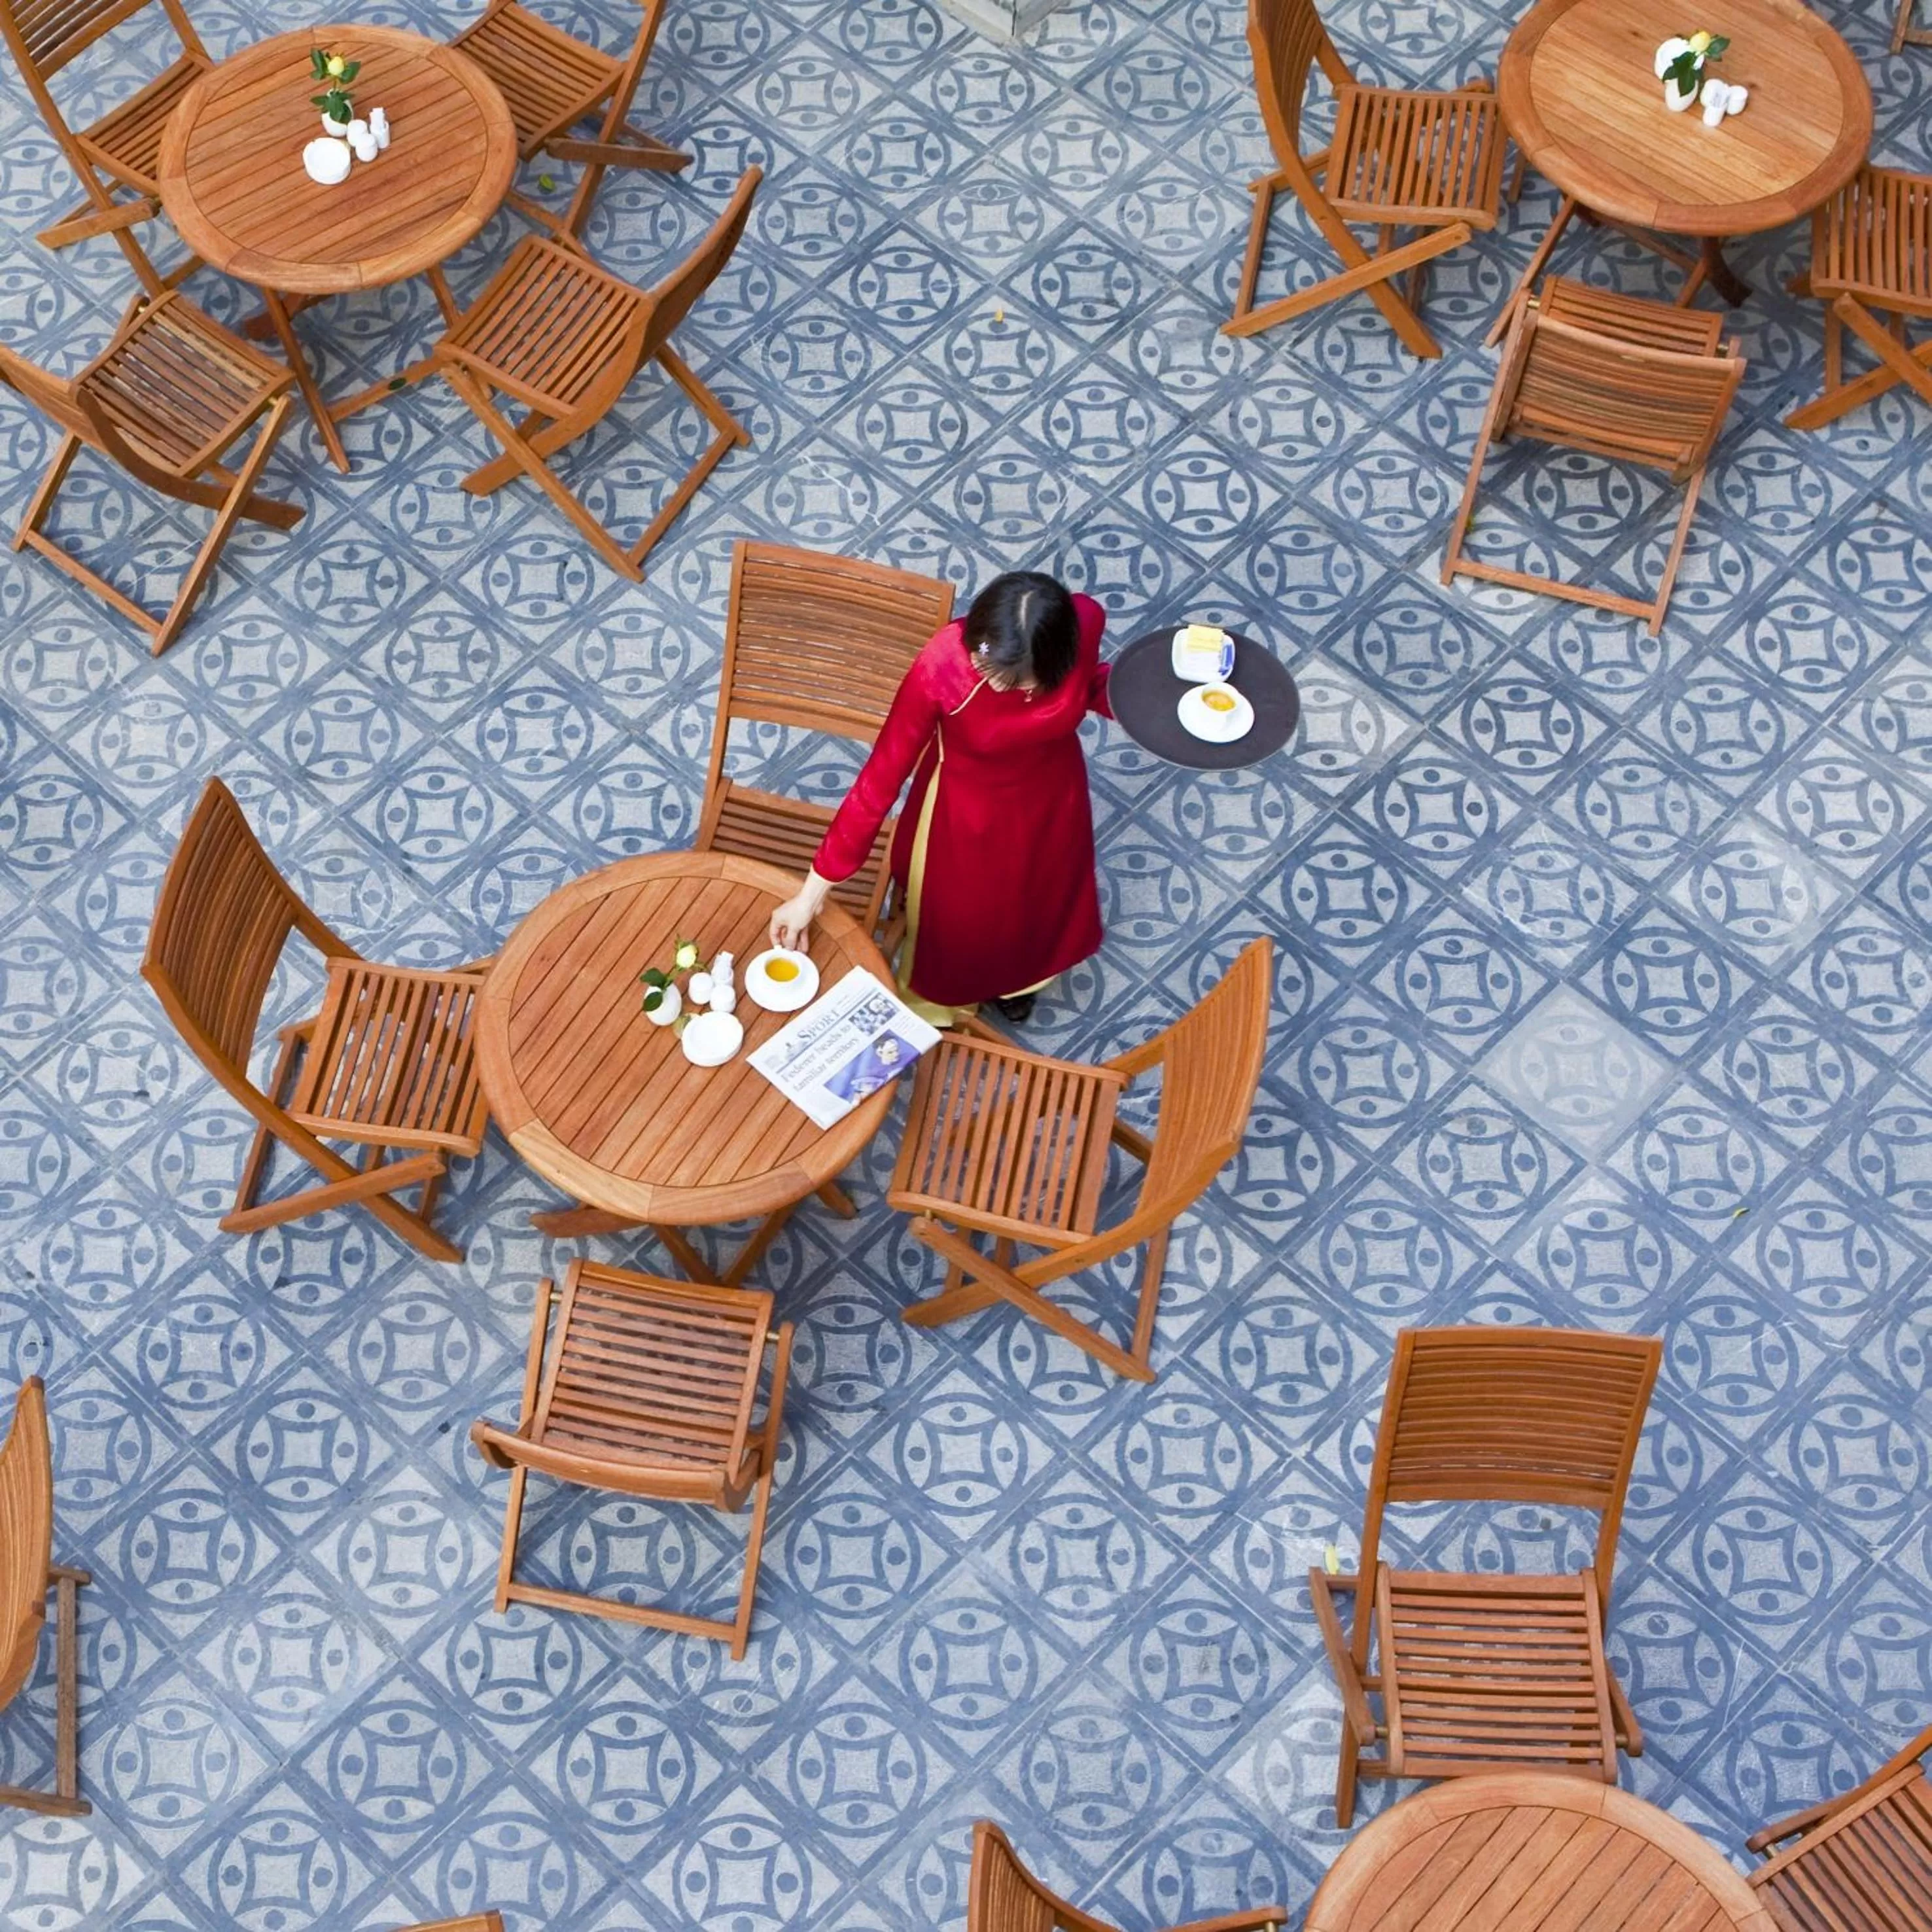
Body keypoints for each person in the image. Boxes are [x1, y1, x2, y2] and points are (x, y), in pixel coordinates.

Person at [768, 571, 1112, 1024]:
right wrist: (807, 898)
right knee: (962, 923)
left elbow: (1088, 685)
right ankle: (947, 1001)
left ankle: (1019, 982)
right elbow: (877, 784)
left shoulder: (1082, 622)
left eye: (1020, 683)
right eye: (992, 674)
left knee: (1042, 900)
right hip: (966, 815)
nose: (1000, 690)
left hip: (1053, 798)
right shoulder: (942, 669)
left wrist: (1154, 703)